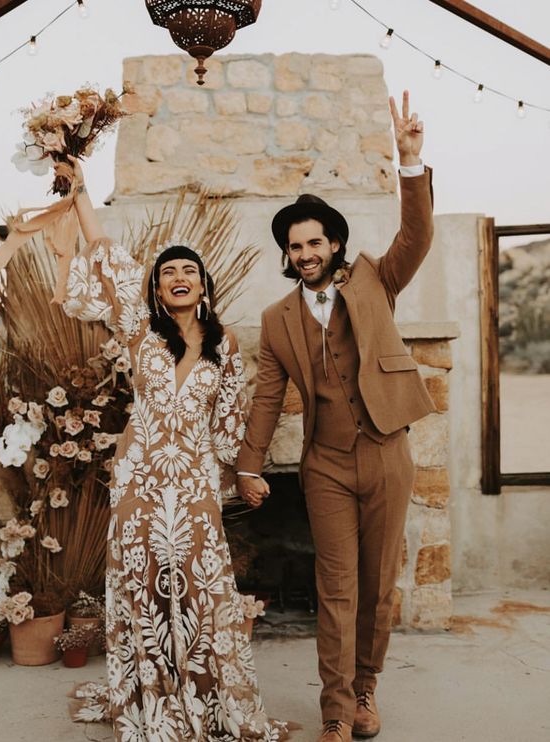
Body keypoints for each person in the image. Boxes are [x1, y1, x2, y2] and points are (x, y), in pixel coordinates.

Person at [58, 156, 290, 741]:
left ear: (202, 284)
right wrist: (82, 190)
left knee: (194, 579)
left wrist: (242, 475)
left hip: (192, 478)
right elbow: (105, 255)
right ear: (158, 290)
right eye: (169, 272)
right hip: (139, 473)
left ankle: (203, 695)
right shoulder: (139, 330)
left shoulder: (225, 344)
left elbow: (232, 419)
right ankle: (148, 696)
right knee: (142, 579)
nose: (179, 276)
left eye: (189, 269)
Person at [235, 91, 435, 742]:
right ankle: (336, 714)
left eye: (315, 241)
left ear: (334, 242)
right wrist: (249, 466)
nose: (306, 253)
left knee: (378, 590)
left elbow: (418, 235)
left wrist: (410, 163)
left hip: (386, 454)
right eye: (295, 247)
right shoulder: (276, 321)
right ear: (288, 255)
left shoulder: (377, 277)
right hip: (325, 464)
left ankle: (368, 691)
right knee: (337, 591)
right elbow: (267, 397)